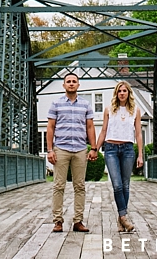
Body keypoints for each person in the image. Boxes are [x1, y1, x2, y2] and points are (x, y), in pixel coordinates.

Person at [46, 72, 98, 233]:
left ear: (78, 85)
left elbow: (90, 127)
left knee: (80, 186)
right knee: (58, 185)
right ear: (64, 85)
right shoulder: (56, 103)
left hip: (80, 149)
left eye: (74, 81)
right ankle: (58, 221)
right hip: (61, 148)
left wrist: (94, 148)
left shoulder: (85, 105)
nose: (71, 83)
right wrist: (49, 150)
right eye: (68, 81)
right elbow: (50, 128)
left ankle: (78, 221)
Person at [96, 80, 143, 233]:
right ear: (116, 93)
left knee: (125, 184)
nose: (122, 93)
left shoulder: (135, 110)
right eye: (119, 91)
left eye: (125, 91)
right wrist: (95, 148)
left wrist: (140, 155)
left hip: (128, 148)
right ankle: (124, 216)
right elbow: (103, 131)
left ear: (129, 93)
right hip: (111, 149)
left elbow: (138, 134)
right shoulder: (109, 109)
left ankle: (121, 217)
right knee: (117, 184)